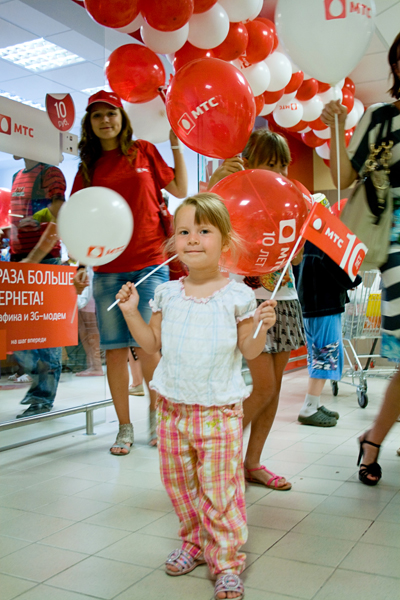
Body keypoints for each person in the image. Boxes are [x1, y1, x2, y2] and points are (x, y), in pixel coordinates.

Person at [116, 193, 276, 600]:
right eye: (184, 231)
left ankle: (225, 559)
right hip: (172, 409)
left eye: (204, 230)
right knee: (180, 485)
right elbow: (151, 344)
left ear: (224, 242)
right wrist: (132, 311)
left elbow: (250, 349)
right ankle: (193, 543)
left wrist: (262, 325)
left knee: (220, 490)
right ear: (173, 243)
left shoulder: (237, 296)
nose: (192, 239)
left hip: (219, 412)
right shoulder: (167, 294)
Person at [72, 90, 187, 453]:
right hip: (107, 270)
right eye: (97, 116)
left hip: (150, 263)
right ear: (90, 125)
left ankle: (157, 417)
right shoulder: (88, 168)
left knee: (149, 346)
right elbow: (80, 219)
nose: (106, 120)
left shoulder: (144, 152)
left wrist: (178, 147)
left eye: (112, 113)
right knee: (116, 351)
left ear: (122, 117)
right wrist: (79, 264)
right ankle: (124, 427)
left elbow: (181, 189)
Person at [208, 129, 308, 491]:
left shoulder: (290, 201)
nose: (279, 172)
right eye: (271, 163)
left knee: (275, 388)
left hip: (285, 300)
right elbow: (200, 229)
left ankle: (251, 463)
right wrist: (213, 183)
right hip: (247, 304)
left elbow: (295, 255)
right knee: (263, 387)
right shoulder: (231, 199)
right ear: (249, 165)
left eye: (283, 164)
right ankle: (219, 457)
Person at [321, 31, 400, 485]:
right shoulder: (382, 117)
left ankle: (372, 439)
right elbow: (345, 177)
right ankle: (373, 440)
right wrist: (335, 129)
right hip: (398, 239)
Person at [296, 196, 361, 427]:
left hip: (309, 308)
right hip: (324, 307)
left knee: (319, 355)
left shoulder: (303, 241)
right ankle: (309, 407)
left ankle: (314, 403)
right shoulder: (324, 241)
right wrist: (356, 277)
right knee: (325, 356)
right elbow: (343, 272)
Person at [9, 157, 66, 418]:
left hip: (44, 262)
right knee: (19, 336)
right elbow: (17, 221)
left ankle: (43, 395)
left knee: (46, 336)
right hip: (19, 262)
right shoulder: (17, 177)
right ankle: (43, 386)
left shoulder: (50, 173)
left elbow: (58, 216)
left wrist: (33, 258)